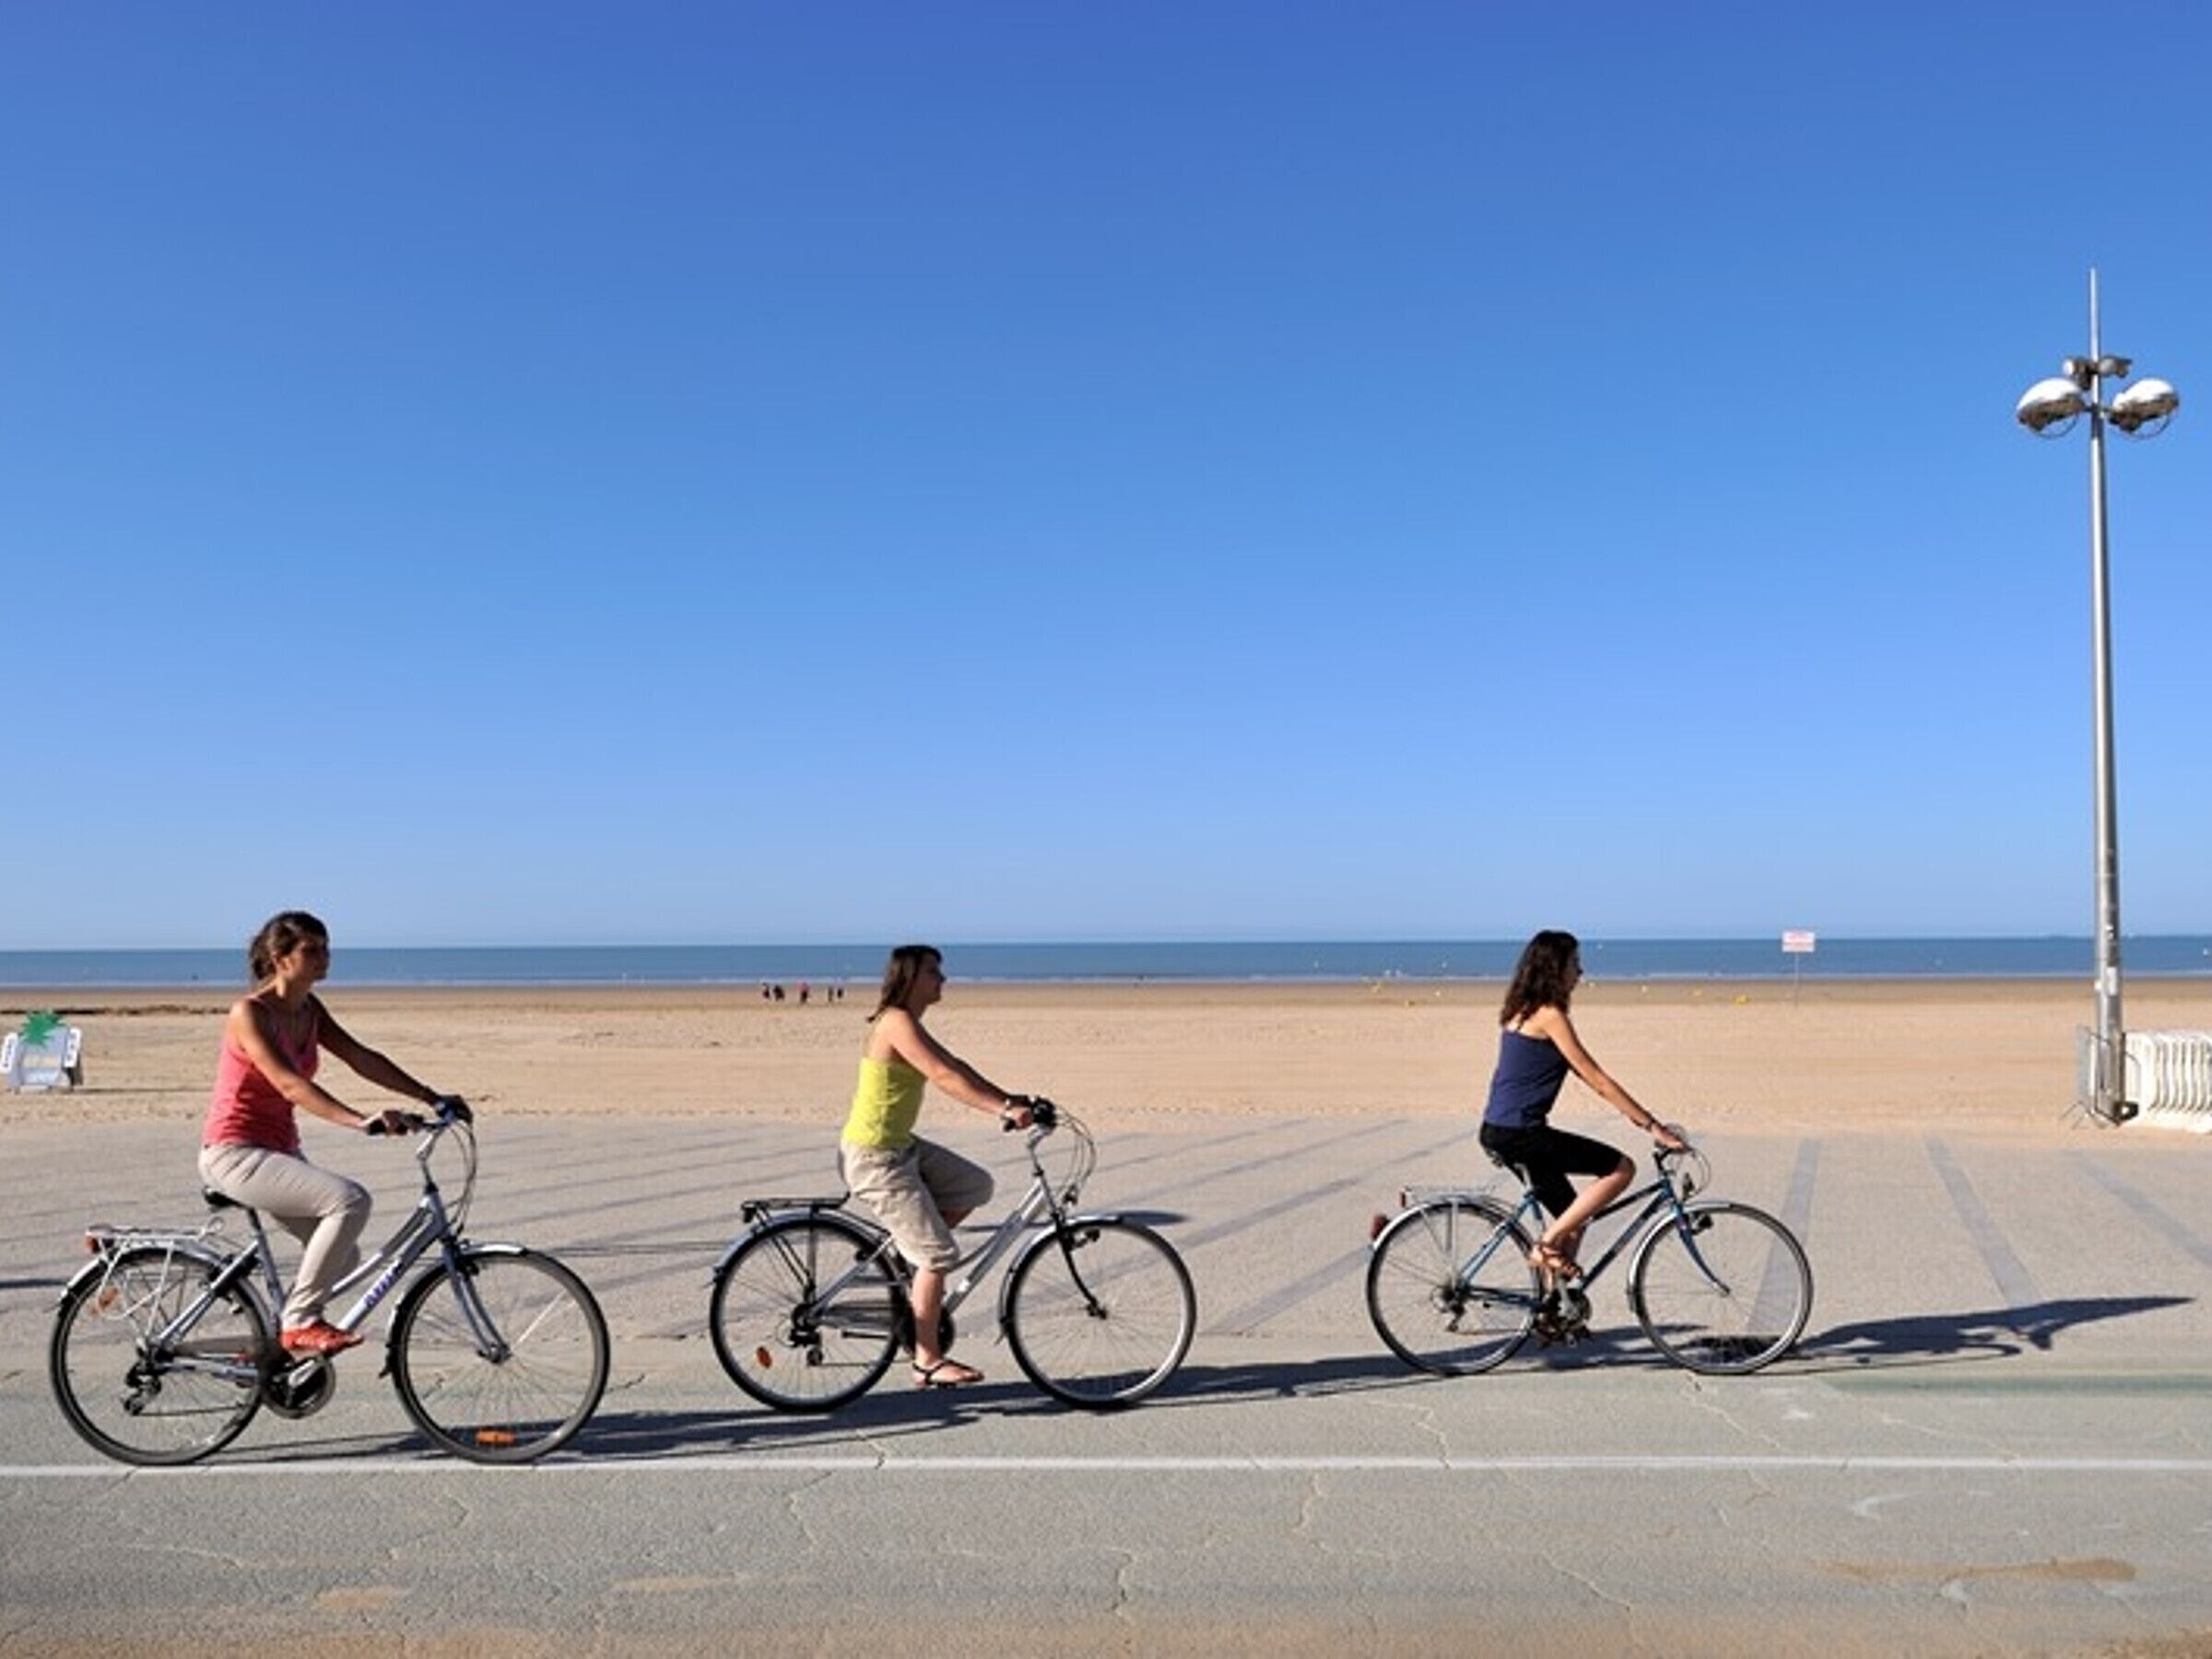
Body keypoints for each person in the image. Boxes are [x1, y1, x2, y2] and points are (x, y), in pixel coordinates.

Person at [198, 912, 456, 1356]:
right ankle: (298, 1324)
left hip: (278, 1150)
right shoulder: (250, 1012)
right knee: (349, 1200)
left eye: (326, 948)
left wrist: (431, 1097)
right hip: (234, 1152)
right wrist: (359, 1121)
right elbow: (289, 1084)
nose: (324, 958)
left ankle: (274, 1347)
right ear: (280, 959)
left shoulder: (308, 1010)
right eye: (311, 950)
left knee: (345, 1256)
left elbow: (360, 1056)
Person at [840, 944, 1034, 1387]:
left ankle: (908, 1256)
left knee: (974, 1185)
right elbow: (943, 1077)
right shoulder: (895, 1022)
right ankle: (927, 1360)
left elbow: (954, 1065)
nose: (942, 979)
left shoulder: (909, 1021)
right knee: (938, 1254)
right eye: (933, 972)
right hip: (876, 1158)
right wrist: (1000, 1110)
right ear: (909, 977)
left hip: (900, 1147)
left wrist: (1010, 1099)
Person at [1477, 930, 1687, 1281]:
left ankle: (1552, 1313)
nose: (1581, 971)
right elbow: (1598, 1079)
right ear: (1554, 969)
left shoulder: (1518, 1012)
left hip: (1499, 1130)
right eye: (1574, 963)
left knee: (1572, 1221)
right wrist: (1653, 1126)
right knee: (1621, 1169)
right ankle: (1543, 1247)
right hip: (1521, 1133)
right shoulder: (1550, 1016)